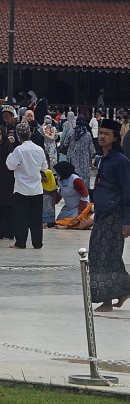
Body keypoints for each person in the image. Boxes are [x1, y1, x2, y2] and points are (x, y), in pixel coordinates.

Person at [88, 117, 130, 312]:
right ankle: (123, 290)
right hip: (101, 215)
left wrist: (128, 221)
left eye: (107, 134)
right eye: (101, 133)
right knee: (99, 255)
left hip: (115, 215)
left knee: (106, 255)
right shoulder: (103, 159)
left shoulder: (121, 162)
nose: (102, 137)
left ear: (115, 138)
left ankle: (107, 300)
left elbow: (127, 191)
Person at [6, 127, 48, 249]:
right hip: (36, 188)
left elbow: (10, 165)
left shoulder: (19, 150)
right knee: (36, 217)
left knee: (21, 217)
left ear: (18, 136)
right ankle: (37, 242)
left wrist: (10, 155)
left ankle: (20, 242)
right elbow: (44, 167)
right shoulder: (39, 149)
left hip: (21, 189)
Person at [62, 116, 95, 184]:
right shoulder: (88, 134)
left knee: (72, 175)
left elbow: (65, 144)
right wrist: (90, 158)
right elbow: (91, 149)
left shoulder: (71, 132)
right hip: (84, 159)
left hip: (72, 158)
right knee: (84, 177)